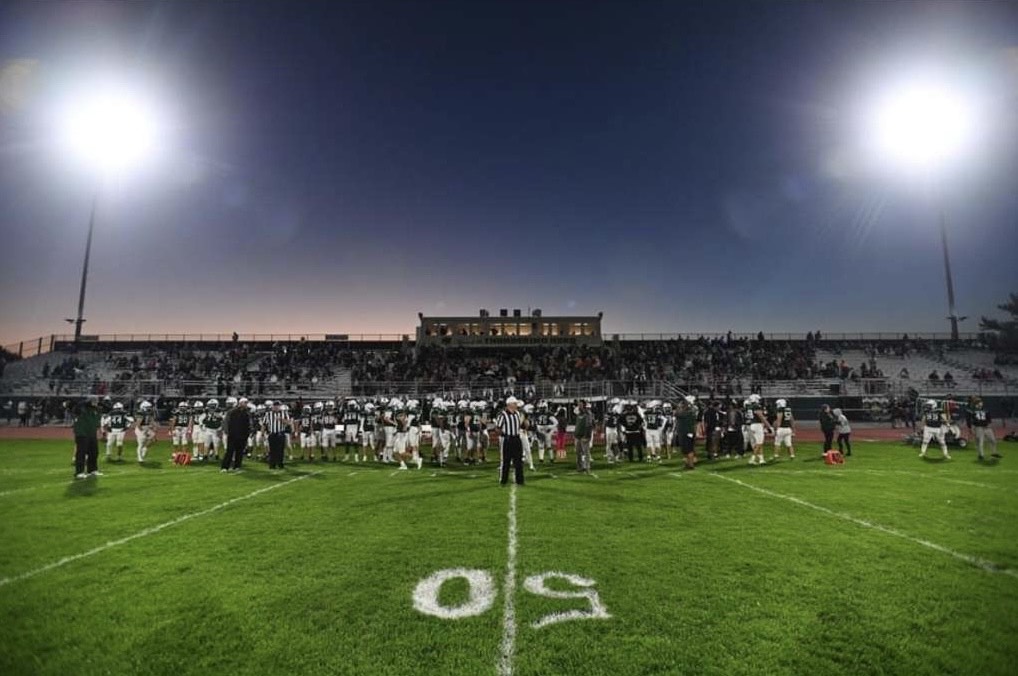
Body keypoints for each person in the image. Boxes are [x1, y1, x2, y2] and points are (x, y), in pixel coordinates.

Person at [494, 396, 525, 485]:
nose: (516, 405)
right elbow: (497, 428)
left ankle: (520, 480)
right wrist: (503, 435)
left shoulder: (518, 413)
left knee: (518, 460)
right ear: (509, 404)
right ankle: (504, 480)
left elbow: (521, 425)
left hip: (517, 439)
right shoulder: (503, 415)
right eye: (515, 404)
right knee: (506, 461)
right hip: (508, 440)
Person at [73, 397, 102, 479]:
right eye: (94, 401)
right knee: (81, 453)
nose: (96, 403)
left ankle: (92, 470)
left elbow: (107, 408)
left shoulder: (96, 410)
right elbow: (76, 407)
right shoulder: (81, 409)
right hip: (82, 433)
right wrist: (86, 402)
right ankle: (79, 472)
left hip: (92, 434)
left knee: (94, 452)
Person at [221, 396, 251, 472]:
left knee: (239, 452)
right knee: (229, 451)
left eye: (246, 403)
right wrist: (227, 431)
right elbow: (225, 422)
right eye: (245, 403)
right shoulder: (232, 412)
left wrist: (247, 434)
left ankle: (237, 466)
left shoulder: (246, 413)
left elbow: (248, 425)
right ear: (240, 403)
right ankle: (225, 467)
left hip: (242, 436)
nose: (246, 404)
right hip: (232, 435)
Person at [966, 397, 1000, 461]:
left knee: (993, 440)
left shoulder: (985, 409)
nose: (981, 403)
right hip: (978, 427)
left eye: (981, 402)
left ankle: (994, 452)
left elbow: (989, 418)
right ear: (977, 404)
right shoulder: (971, 410)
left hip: (986, 427)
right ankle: (981, 455)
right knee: (980, 441)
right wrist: (971, 428)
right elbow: (969, 420)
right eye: (980, 402)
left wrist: (989, 424)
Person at [263, 400, 290, 469]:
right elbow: (264, 424)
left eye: (278, 406)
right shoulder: (268, 414)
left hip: (280, 433)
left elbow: (288, 423)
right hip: (272, 434)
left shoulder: (284, 413)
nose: (276, 407)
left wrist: (281, 419)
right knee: (272, 450)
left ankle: (280, 463)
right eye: (275, 406)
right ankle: (272, 464)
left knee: (280, 450)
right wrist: (262, 433)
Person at [573, 400, 593, 473]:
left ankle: (587, 467)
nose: (579, 406)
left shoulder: (588, 414)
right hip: (577, 435)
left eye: (581, 405)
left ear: (584, 405)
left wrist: (587, 436)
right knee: (578, 453)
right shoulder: (579, 413)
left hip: (584, 436)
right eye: (579, 405)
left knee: (586, 452)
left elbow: (589, 426)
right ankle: (580, 467)